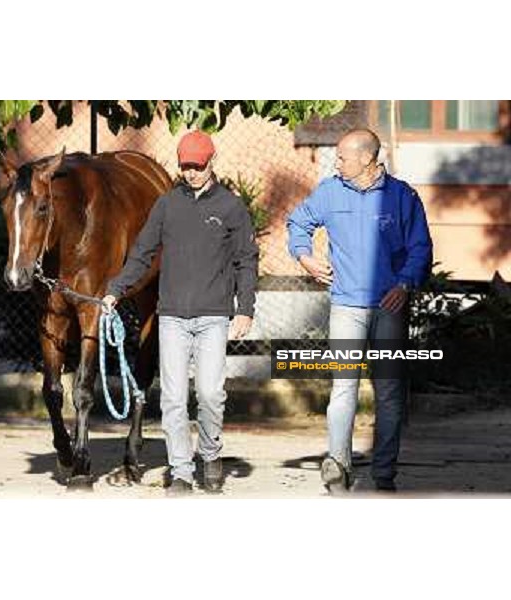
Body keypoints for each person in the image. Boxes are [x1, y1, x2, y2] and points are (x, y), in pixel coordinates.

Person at [102, 130, 259, 496]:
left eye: (197, 166)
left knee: (209, 394)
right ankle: (182, 472)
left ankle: (210, 453)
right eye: (185, 166)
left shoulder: (231, 208)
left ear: (211, 162)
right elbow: (141, 252)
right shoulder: (167, 205)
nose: (190, 173)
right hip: (171, 315)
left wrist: (245, 308)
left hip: (213, 316)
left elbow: (246, 261)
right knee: (172, 398)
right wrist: (115, 289)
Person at [286, 128, 433, 493]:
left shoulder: (402, 197)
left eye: (342, 157)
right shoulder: (330, 191)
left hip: (389, 308)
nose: (336, 163)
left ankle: (384, 472)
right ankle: (337, 465)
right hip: (345, 306)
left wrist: (404, 283)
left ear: (367, 159)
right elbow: (298, 222)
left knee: (388, 392)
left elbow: (421, 248)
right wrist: (305, 257)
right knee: (343, 387)